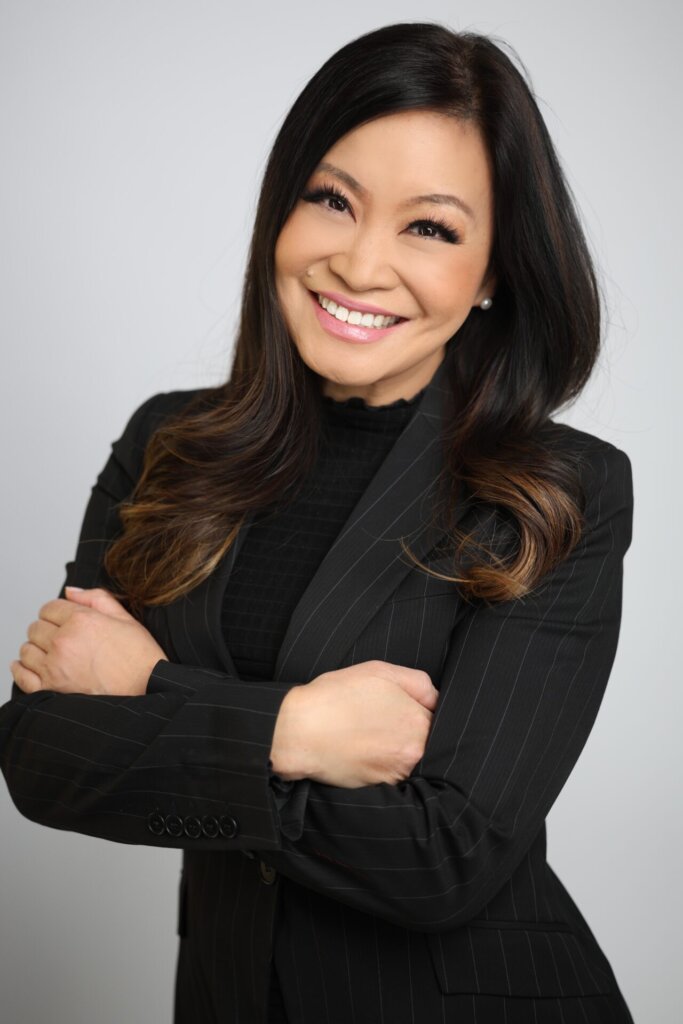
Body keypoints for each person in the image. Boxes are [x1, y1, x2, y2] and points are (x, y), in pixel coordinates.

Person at [0, 21, 634, 1024]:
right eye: (330, 199)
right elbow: (41, 757)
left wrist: (151, 689)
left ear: (492, 273)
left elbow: (446, 855)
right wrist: (297, 729)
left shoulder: (560, 490)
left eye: (429, 227)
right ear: (280, 209)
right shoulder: (168, 444)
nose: (359, 262)